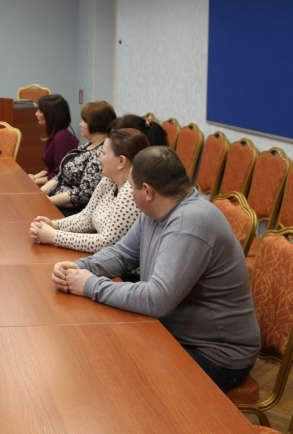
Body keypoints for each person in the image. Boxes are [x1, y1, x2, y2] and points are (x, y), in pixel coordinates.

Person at [51, 146, 260, 392]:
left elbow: (157, 299)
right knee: (106, 356)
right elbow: (123, 254)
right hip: (177, 334)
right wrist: (79, 267)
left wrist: (89, 284)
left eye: (132, 187)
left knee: (126, 382)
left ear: (148, 191)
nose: (130, 192)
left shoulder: (189, 224)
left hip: (217, 354)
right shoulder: (156, 210)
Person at [30, 128, 149, 253]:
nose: (99, 158)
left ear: (121, 162)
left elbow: (106, 243)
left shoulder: (131, 192)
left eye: (103, 153)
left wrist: (54, 236)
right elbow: (87, 217)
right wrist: (55, 225)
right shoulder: (108, 180)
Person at [41, 100, 116, 214]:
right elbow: (60, 176)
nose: (80, 124)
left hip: (71, 210)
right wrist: (41, 194)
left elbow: (83, 195)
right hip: (54, 199)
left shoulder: (101, 153)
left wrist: (48, 201)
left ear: (95, 123)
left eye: (84, 121)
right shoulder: (86, 145)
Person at [28, 94, 78, 185]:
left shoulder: (62, 138)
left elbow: (59, 174)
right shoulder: (56, 134)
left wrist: (34, 181)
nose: (36, 114)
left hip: (57, 186)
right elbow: (50, 167)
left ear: (50, 114)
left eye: (40, 111)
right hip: (50, 182)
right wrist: (34, 176)